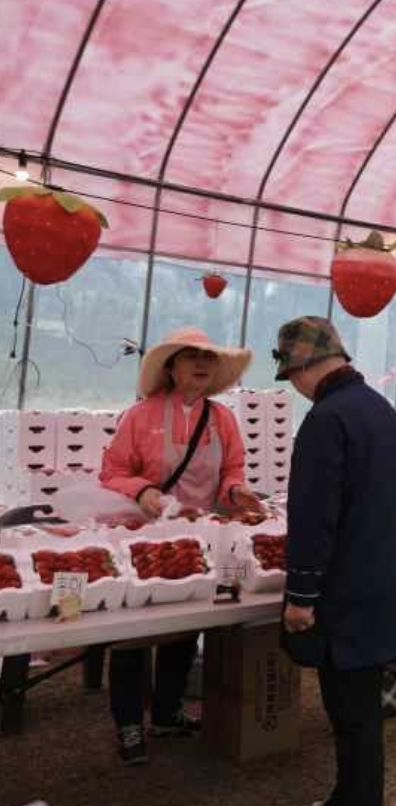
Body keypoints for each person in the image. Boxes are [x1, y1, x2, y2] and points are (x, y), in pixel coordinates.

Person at [273, 317, 396, 806]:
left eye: (290, 375)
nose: (293, 386)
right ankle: (346, 802)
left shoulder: (326, 419)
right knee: (361, 717)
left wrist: (301, 595)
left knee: (353, 718)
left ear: (307, 367)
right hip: (384, 584)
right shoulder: (381, 411)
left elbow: (313, 516)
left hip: (346, 595)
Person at [98, 326, 259, 766]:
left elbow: (232, 471)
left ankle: (167, 712)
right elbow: (111, 472)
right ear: (170, 366)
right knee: (133, 633)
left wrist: (236, 493)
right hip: (142, 538)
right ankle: (129, 724)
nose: (201, 364)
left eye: (208, 358)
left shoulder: (222, 419)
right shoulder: (140, 416)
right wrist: (143, 490)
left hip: (198, 539)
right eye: (190, 357)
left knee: (185, 626)